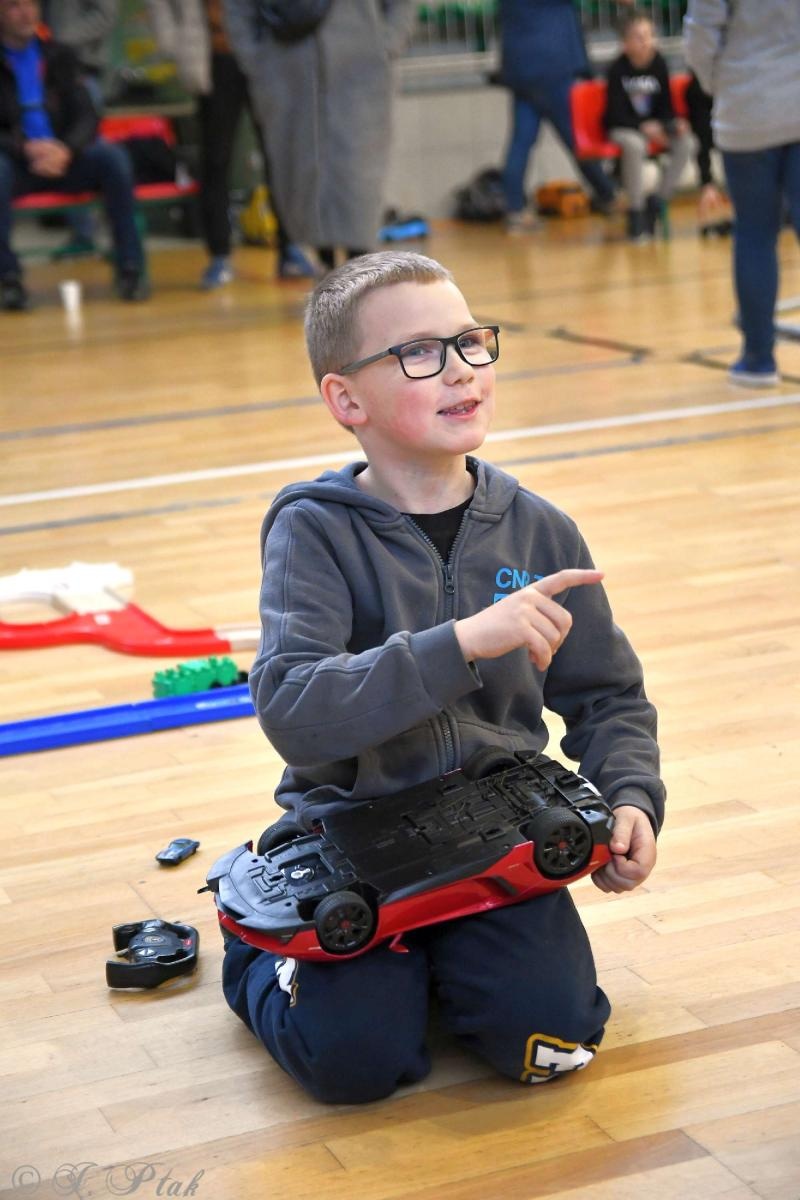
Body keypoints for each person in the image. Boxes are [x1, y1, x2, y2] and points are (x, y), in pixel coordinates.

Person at [221, 249, 665, 1105]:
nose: (460, 368)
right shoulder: (313, 534)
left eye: (470, 342)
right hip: (352, 834)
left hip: (495, 830)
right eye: (419, 353)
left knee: (552, 1041)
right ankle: (257, 955)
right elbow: (293, 712)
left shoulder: (539, 530)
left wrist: (634, 796)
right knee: (353, 1068)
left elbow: (606, 693)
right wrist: (461, 642)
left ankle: (432, 965)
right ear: (347, 400)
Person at [222, 0, 415, 272]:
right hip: (286, 71)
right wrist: (256, 60)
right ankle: (322, 266)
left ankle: (358, 270)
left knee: (357, 172)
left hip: (362, 70)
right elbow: (238, 10)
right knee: (300, 171)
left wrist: (388, 43)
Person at [145, 0, 316, 287]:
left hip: (264, 58)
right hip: (214, 60)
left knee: (279, 157)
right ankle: (219, 255)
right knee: (215, 160)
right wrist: (178, 47)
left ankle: (290, 246)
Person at [0, 0, 146, 310]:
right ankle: (8, 278)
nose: (26, 13)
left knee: (113, 159)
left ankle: (130, 268)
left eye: (31, 4)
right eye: (14, 6)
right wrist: (24, 148)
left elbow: (87, 116)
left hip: (64, 158)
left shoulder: (60, 55)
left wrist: (66, 148)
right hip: (17, 162)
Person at [685, 0, 800, 388]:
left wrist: (718, 82)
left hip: (748, 108)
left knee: (754, 234)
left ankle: (758, 359)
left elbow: (701, 32)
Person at [497, 0, 619, 234]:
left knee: (520, 142)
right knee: (578, 138)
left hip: (520, 68)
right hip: (552, 65)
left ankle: (514, 209)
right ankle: (608, 194)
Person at [605, 9, 692, 241]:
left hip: (653, 127)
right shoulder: (617, 70)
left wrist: (671, 125)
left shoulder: (659, 64)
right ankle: (635, 211)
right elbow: (615, 114)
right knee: (635, 145)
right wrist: (643, 127)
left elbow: (666, 106)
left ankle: (657, 200)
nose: (645, 41)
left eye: (649, 35)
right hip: (624, 128)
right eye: (638, 36)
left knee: (686, 143)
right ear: (625, 43)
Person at [41, 0, 119, 258]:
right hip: (50, 69)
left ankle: (114, 239)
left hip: (84, 68)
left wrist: (58, 39)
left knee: (92, 151)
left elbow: (105, 16)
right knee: (60, 148)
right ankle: (83, 235)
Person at [684, 70, 732, 238]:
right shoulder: (696, 90)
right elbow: (702, 140)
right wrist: (707, 183)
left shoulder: (738, 84)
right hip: (721, 139)